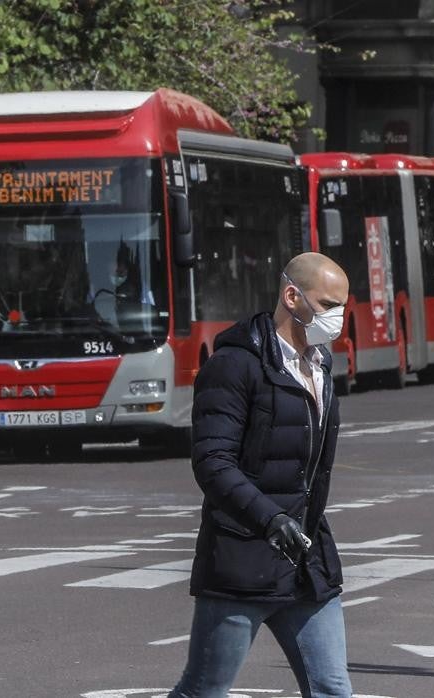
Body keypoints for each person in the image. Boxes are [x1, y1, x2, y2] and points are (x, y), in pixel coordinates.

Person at [169, 252, 352, 698]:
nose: (338, 319)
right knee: (204, 690)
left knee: (332, 688)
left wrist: (300, 527)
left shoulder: (320, 367)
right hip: (242, 559)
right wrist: (270, 520)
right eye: (328, 306)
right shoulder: (235, 366)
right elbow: (213, 462)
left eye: (343, 308)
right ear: (292, 297)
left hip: (306, 560)